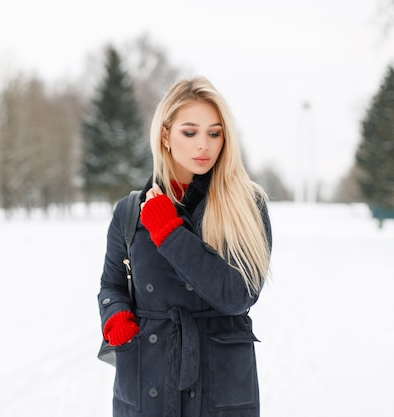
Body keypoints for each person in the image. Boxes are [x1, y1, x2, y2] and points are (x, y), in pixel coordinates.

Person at [97, 76, 272, 417]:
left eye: (214, 132)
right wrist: (115, 314)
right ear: (165, 135)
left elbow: (238, 294)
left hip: (220, 384)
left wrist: (170, 233)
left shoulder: (247, 205)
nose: (203, 145)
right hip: (147, 376)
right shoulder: (130, 211)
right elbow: (112, 283)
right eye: (190, 132)